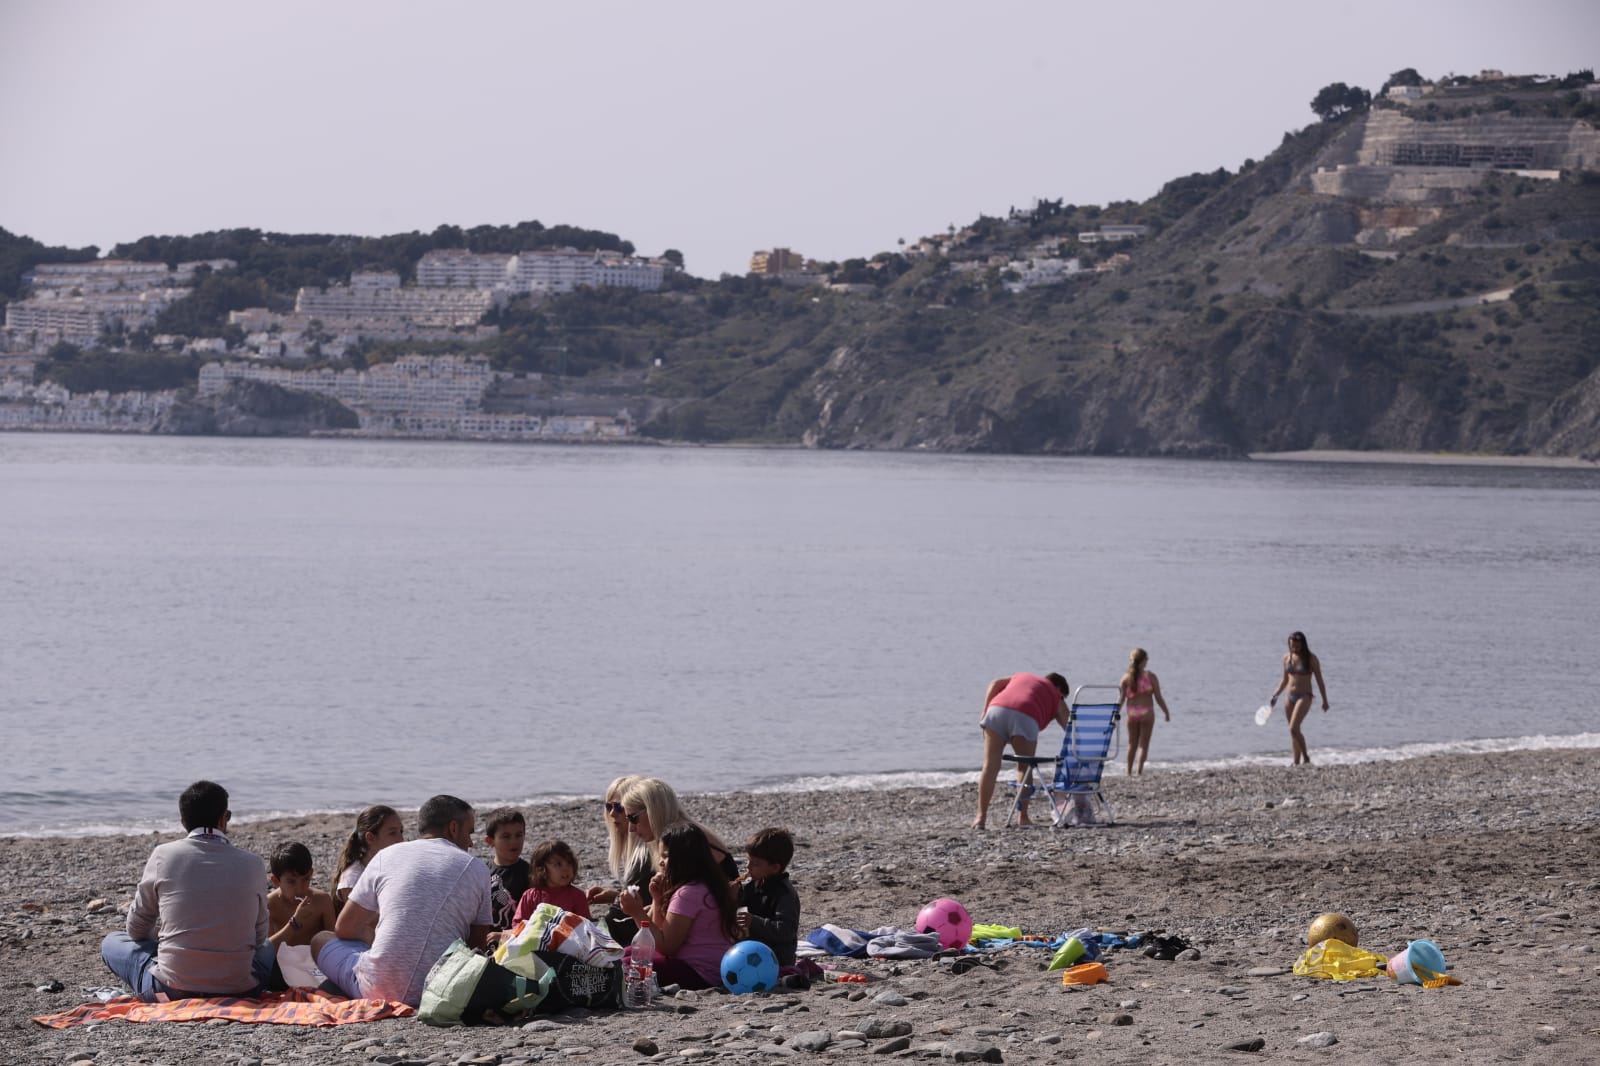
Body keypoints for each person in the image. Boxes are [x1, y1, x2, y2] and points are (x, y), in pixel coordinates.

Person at [311, 794, 493, 1007]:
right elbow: (476, 944)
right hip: (441, 989)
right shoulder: (478, 869)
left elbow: (344, 928)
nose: (471, 842)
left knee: (321, 939)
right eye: (469, 833)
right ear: (453, 828)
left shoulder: (386, 855)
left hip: (377, 989)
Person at [100, 780, 274, 1000]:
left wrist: (166, 939)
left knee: (111, 942)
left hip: (170, 990)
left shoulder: (164, 855)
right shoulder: (253, 863)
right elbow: (259, 936)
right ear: (223, 818)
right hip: (240, 988)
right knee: (267, 947)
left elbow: (136, 929)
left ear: (183, 822)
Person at [614, 778, 739, 937]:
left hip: (712, 934)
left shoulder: (684, 844)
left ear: (653, 810)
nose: (631, 828)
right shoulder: (685, 833)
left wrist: (640, 913)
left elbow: (668, 934)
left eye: (633, 818)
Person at [646, 822, 738, 990]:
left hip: (698, 972)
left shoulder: (688, 894)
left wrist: (637, 913)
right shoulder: (710, 885)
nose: (660, 862)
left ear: (684, 859)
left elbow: (667, 947)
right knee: (632, 952)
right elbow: (662, 933)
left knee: (631, 964)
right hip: (715, 969)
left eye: (666, 856)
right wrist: (657, 899)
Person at [973, 671, 1071, 828]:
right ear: (1059, 689)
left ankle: (980, 817)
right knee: (1024, 768)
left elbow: (994, 683)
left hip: (996, 710)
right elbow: (1070, 727)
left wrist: (985, 712)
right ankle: (1022, 817)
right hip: (1025, 714)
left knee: (990, 766)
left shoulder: (1022, 676)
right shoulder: (1055, 694)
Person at [736, 827, 801, 966]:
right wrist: (732, 897)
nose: (748, 867)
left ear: (775, 868)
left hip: (777, 957)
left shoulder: (784, 893)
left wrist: (753, 922)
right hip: (753, 949)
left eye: (756, 863)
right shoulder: (752, 886)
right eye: (748, 860)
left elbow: (786, 931)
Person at [1270, 630, 1330, 766]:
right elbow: (1284, 680)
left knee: (1293, 727)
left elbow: (1320, 680)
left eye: (1297, 646)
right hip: (1289, 697)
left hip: (1305, 696)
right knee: (1294, 732)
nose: (1294, 648)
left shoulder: (1311, 659)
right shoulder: (1286, 658)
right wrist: (1275, 695)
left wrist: (1325, 700)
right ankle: (1296, 762)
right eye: (1292, 646)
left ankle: (1306, 757)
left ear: (1303, 645)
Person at [330, 804, 404, 912]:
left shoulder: (391, 868)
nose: (401, 839)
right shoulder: (353, 878)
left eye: (401, 831)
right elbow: (359, 924)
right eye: (392, 833)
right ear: (370, 838)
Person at [266, 842, 337, 948]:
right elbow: (266, 951)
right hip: (280, 962)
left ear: (311, 873)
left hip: (315, 961)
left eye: (305, 879)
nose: (300, 888)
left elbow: (333, 944)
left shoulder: (322, 901)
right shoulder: (269, 905)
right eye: (291, 881)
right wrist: (295, 922)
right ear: (276, 881)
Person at [1120, 648, 1171, 776]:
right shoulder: (1150, 676)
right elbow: (1158, 697)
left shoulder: (1125, 678)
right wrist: (1166, 712)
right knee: (1143, 744)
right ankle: (1139, 772)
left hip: (1131, 713)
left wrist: (1115, 714)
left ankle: (1128, 771)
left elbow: (1121, 700)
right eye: (1147, 658)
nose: (1148, 660)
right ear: (1143, 661)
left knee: (1132, 744)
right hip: (1147, 712)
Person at [512, 839, 591, 922]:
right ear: (541, 869)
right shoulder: (531, 896)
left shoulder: (577, 896)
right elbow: (519, 923)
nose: (566, 868)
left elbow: (586, 926)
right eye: (558, 864)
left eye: (569, 863)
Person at [481, 806, 529, 929]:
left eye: (518, 835)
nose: (514, 842)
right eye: (506, 836)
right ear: (490, 841)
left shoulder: (530, 873)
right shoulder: (482, 872)